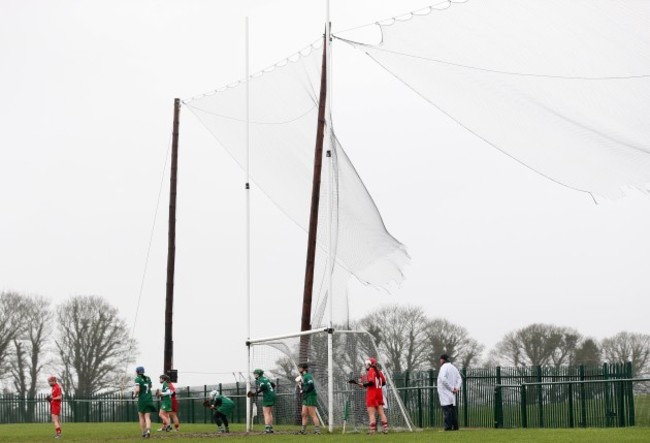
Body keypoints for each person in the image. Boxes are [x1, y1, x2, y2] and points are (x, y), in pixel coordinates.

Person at [356, 357, 388, 434]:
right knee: (381, 413)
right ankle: (385, 429)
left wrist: (363, 384)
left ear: (369, 364)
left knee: (371, 414)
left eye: (366, 364)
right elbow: (383, 383)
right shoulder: (379, 372)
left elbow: (371, 383)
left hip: (372, 395)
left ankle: (372, 431)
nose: (365, 366)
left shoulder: (371, 371)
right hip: (379, 395)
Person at [437, 353, 462, 431]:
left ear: (442, 360)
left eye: (440, 359)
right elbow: (459, 379)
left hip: (445, 392)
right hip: (452, 393)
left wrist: (451, 388)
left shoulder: (444, 367)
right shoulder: (453, 367)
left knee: (447, 410)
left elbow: (443, 379)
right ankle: (455, 427)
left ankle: (448, 427)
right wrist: (456, 388)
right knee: (452, 410)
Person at [296, 363, 320, 435]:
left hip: (311, 396)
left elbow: (311, 386)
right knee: (304, 414)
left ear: (304, 368)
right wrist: (300, 384)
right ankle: (303, 431)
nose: (299, 369)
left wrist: (303, 390)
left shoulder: (308, 376)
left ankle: (317, 431)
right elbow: (305, 386)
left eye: (300, 368)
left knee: (312, 414)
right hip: (306, 397)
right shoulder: (303, 377)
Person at [133, 366, 156, 438]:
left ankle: (143, 432)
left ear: (137, 372)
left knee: (141, 416)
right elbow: (150, 386)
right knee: (147, 417)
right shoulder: (148, 378)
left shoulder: (137, 379)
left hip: (142, 400)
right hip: (149, 399)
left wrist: (134, 394)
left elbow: (137, 389)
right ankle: (148, 430)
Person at [252, 369, 276, 434]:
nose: (254, 375)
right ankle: (270, 428)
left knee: (266, 413)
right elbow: (273, 385)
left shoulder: (260, 380)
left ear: (258, 374)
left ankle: (267, 429)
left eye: (255, 374)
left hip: (267, 396)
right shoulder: (265, 378)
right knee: (270, 413)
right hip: (272, 395)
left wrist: (256, 392)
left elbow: (263, 386)